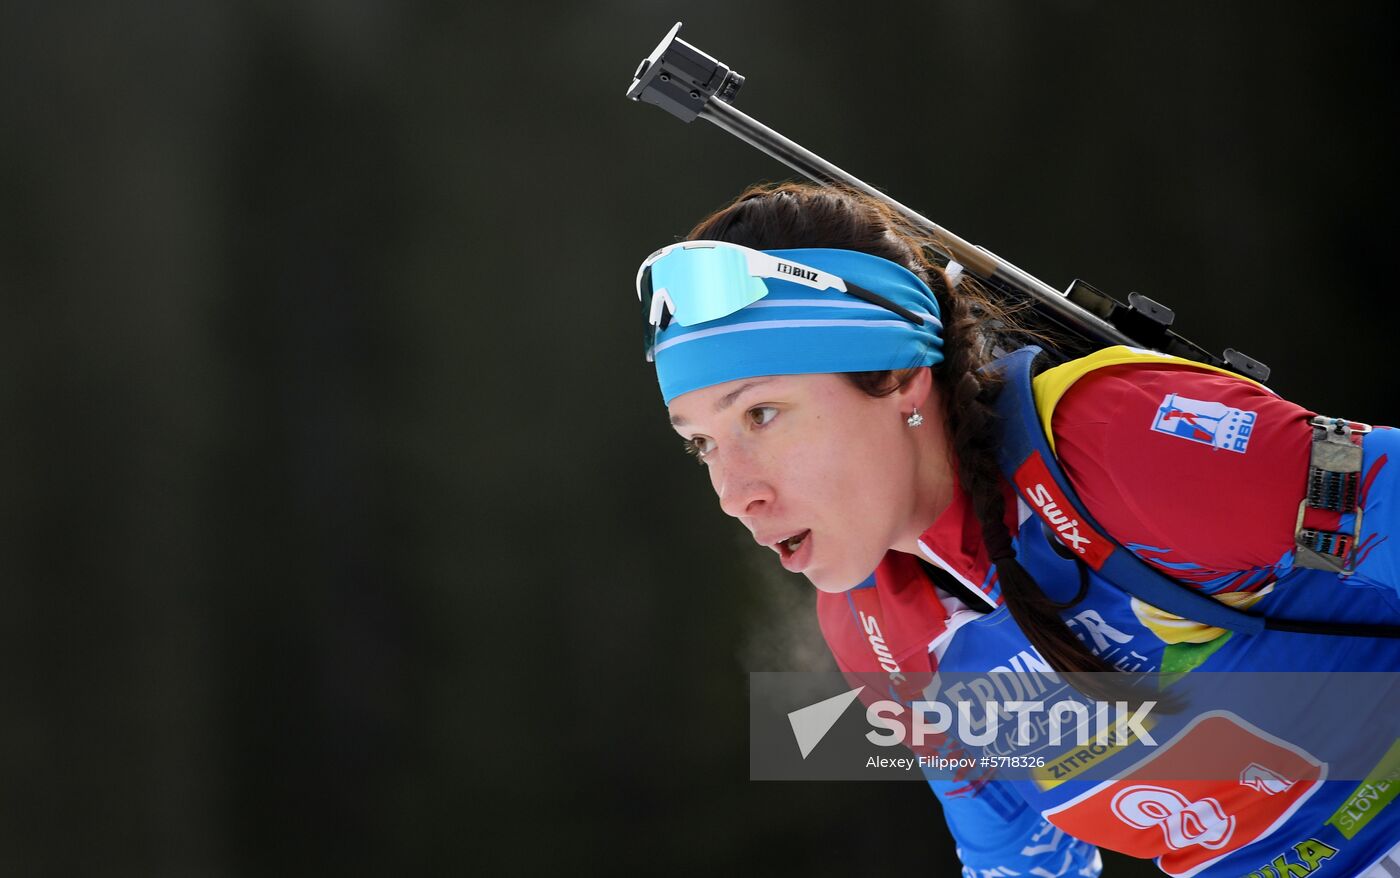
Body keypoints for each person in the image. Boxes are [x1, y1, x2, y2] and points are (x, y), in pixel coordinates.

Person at [635, 181, 1400, 877]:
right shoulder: (879, 629)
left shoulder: (1115, 444)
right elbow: (1018, 861)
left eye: (760, 415)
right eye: (700, 443)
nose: (733, 492)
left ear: (900, 378)